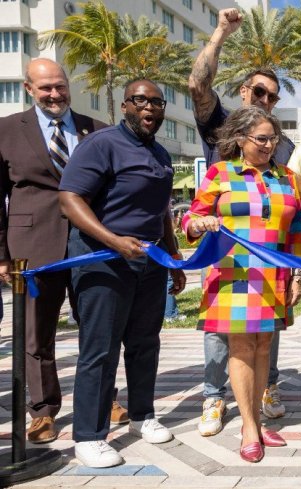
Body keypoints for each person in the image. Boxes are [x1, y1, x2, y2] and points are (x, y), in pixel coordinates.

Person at [0, 58, 129, 445]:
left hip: (90, 246)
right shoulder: (6, 131)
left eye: (59, 85)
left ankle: (103, 399)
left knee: (99, 328)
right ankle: (42, 411)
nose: (54, 94)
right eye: (45, 88)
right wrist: (2, 255)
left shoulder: (98, 131)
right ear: (28, 89)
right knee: (36, 333)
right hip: (32, 248)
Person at [58, 80, 187, 468]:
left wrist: (173, 251)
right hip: (101, 260)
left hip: (148, 261)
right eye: (141, 101)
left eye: (157, 103)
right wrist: (113, 241)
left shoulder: (160, 152)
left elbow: (161, 208)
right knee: (100, 349)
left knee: (145, 341)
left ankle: (143, 415)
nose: (150, 108)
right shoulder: (100, 144)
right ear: (125, 105)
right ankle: (89, 435)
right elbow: (70, 198)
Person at [188, 7, 295, 435]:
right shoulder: (221, 125)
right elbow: (197, 83)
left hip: (269, 261)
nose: (265, 100)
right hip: (226, 256)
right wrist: (219, 33)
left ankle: (265, 388)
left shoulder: (280, 147)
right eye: (259, 91)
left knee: (267, 334)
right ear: (244, 90)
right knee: (221, 335)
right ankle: (215, 398)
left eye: (273, 96)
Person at [181, 106, 301, 463]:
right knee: (241, 348)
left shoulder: (289, 177)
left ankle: (256, 419)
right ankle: (249, 427)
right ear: (241, 139)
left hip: (274, 273)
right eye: (262, 139)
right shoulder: (221, 172)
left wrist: (298, 275)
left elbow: (296, 231)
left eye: (274, 139)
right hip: (232, 272)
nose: (269, 145)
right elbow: (192, 216)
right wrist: (199, 225)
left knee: (264, 345)